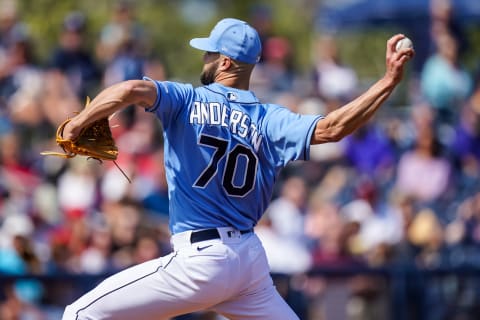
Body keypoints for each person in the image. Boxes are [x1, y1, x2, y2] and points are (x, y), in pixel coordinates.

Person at [61, 18, 413, 320]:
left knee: (79, 314)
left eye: (211, 52)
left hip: (201, 260)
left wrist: (79, 122)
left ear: (226, 63)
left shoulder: (187, 99)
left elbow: (132, 88)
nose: (205, 57)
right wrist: (388, 82)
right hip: (248, 262)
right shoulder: (271, 119)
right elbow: (334, 127)